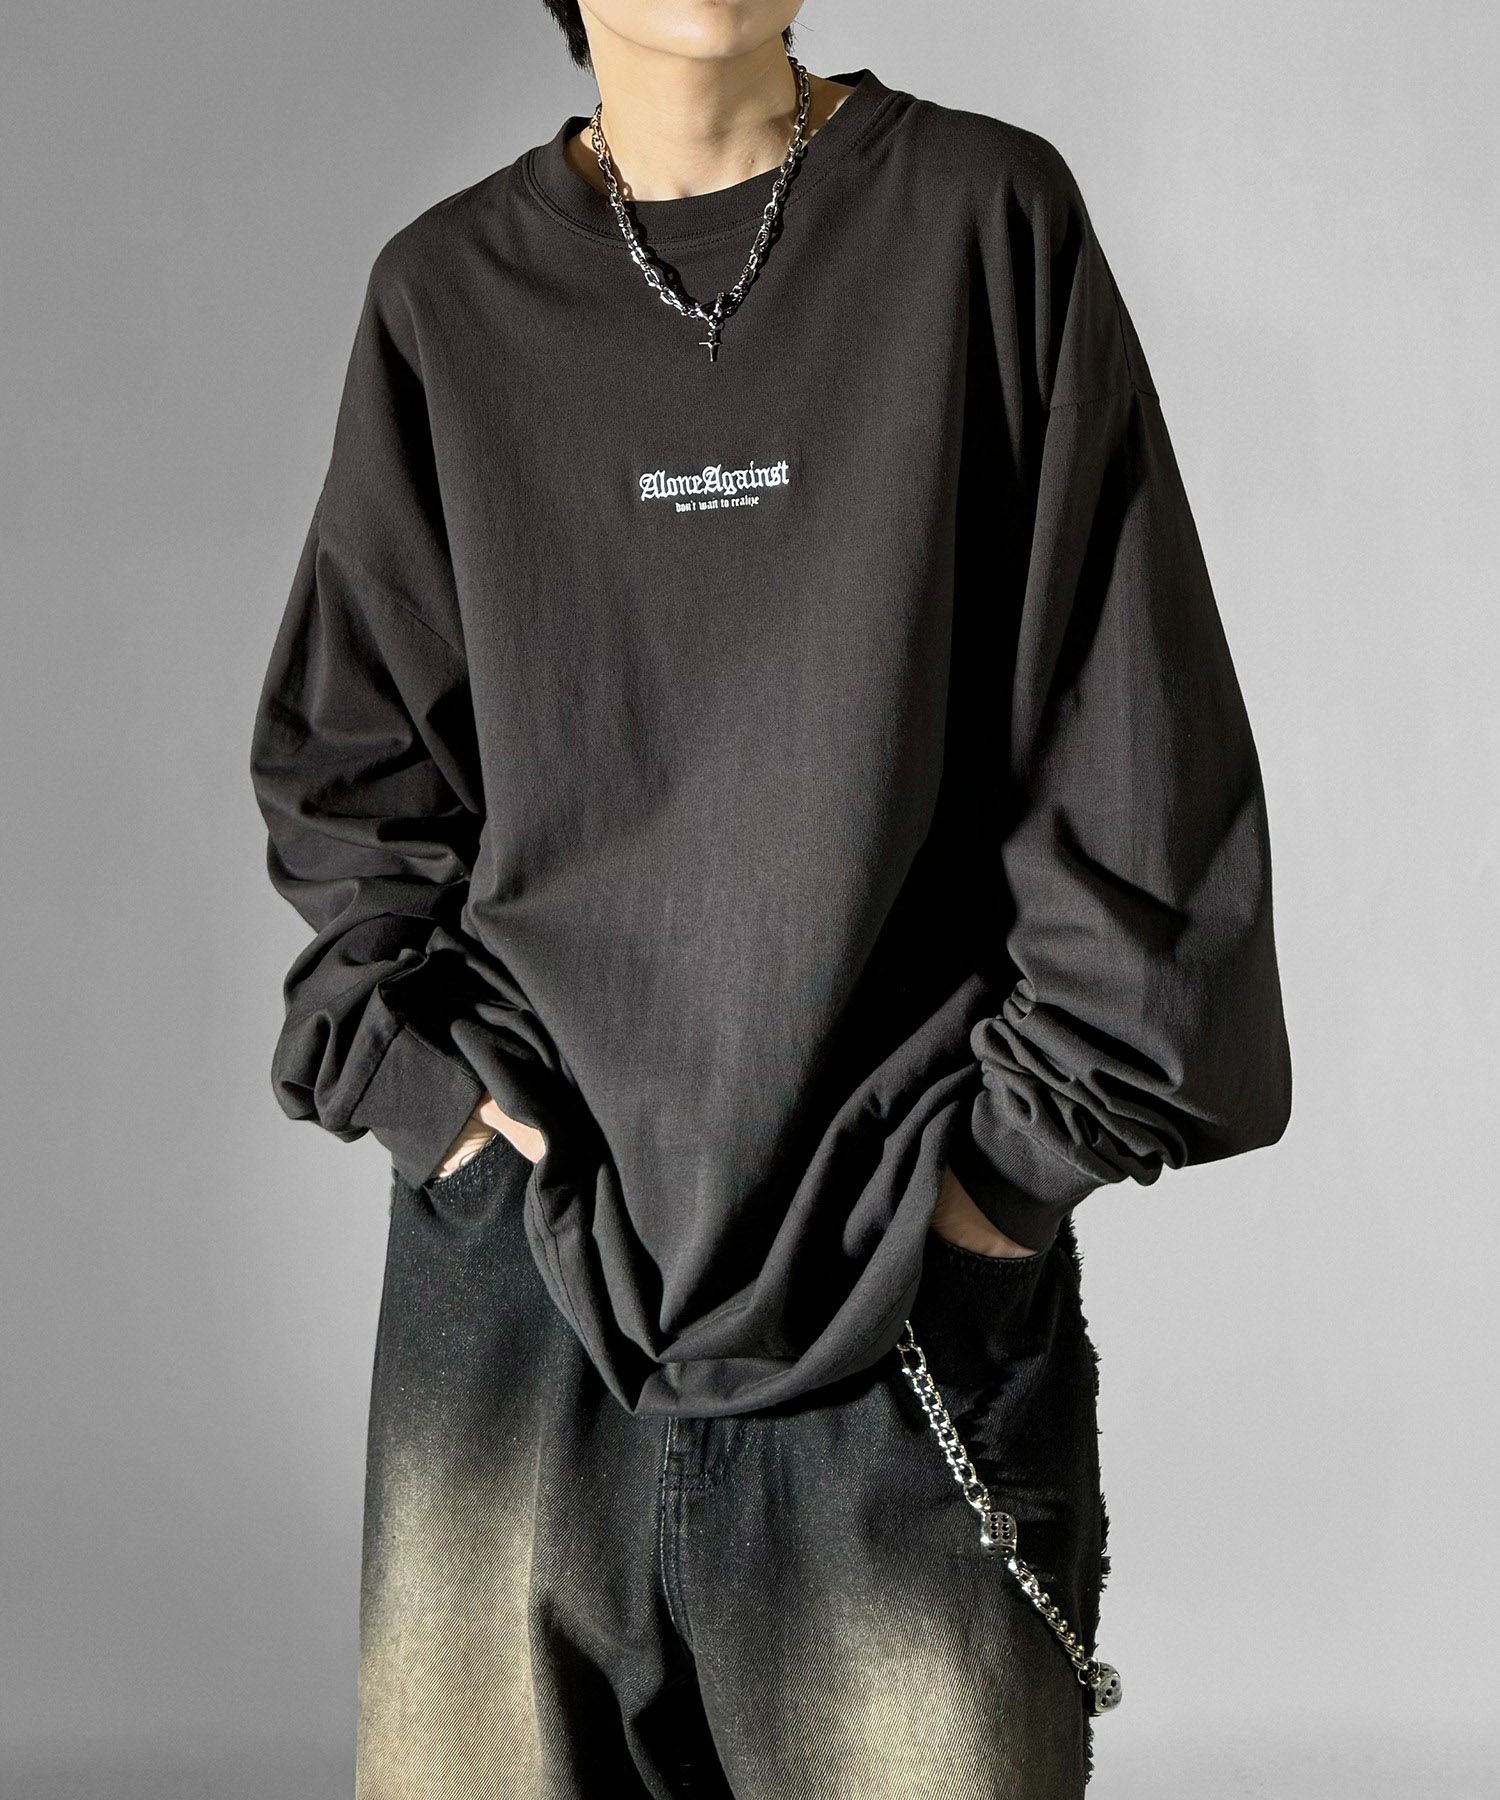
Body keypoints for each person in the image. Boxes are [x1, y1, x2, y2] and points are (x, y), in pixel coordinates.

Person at [249, 3, 1293, 1793]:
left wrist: (992, 1194)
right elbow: (351, 779)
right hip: (515, 1310)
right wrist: (449, 1122)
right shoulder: (447, 298)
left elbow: (1137, 754)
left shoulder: (984, 222)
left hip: (899, 1297)